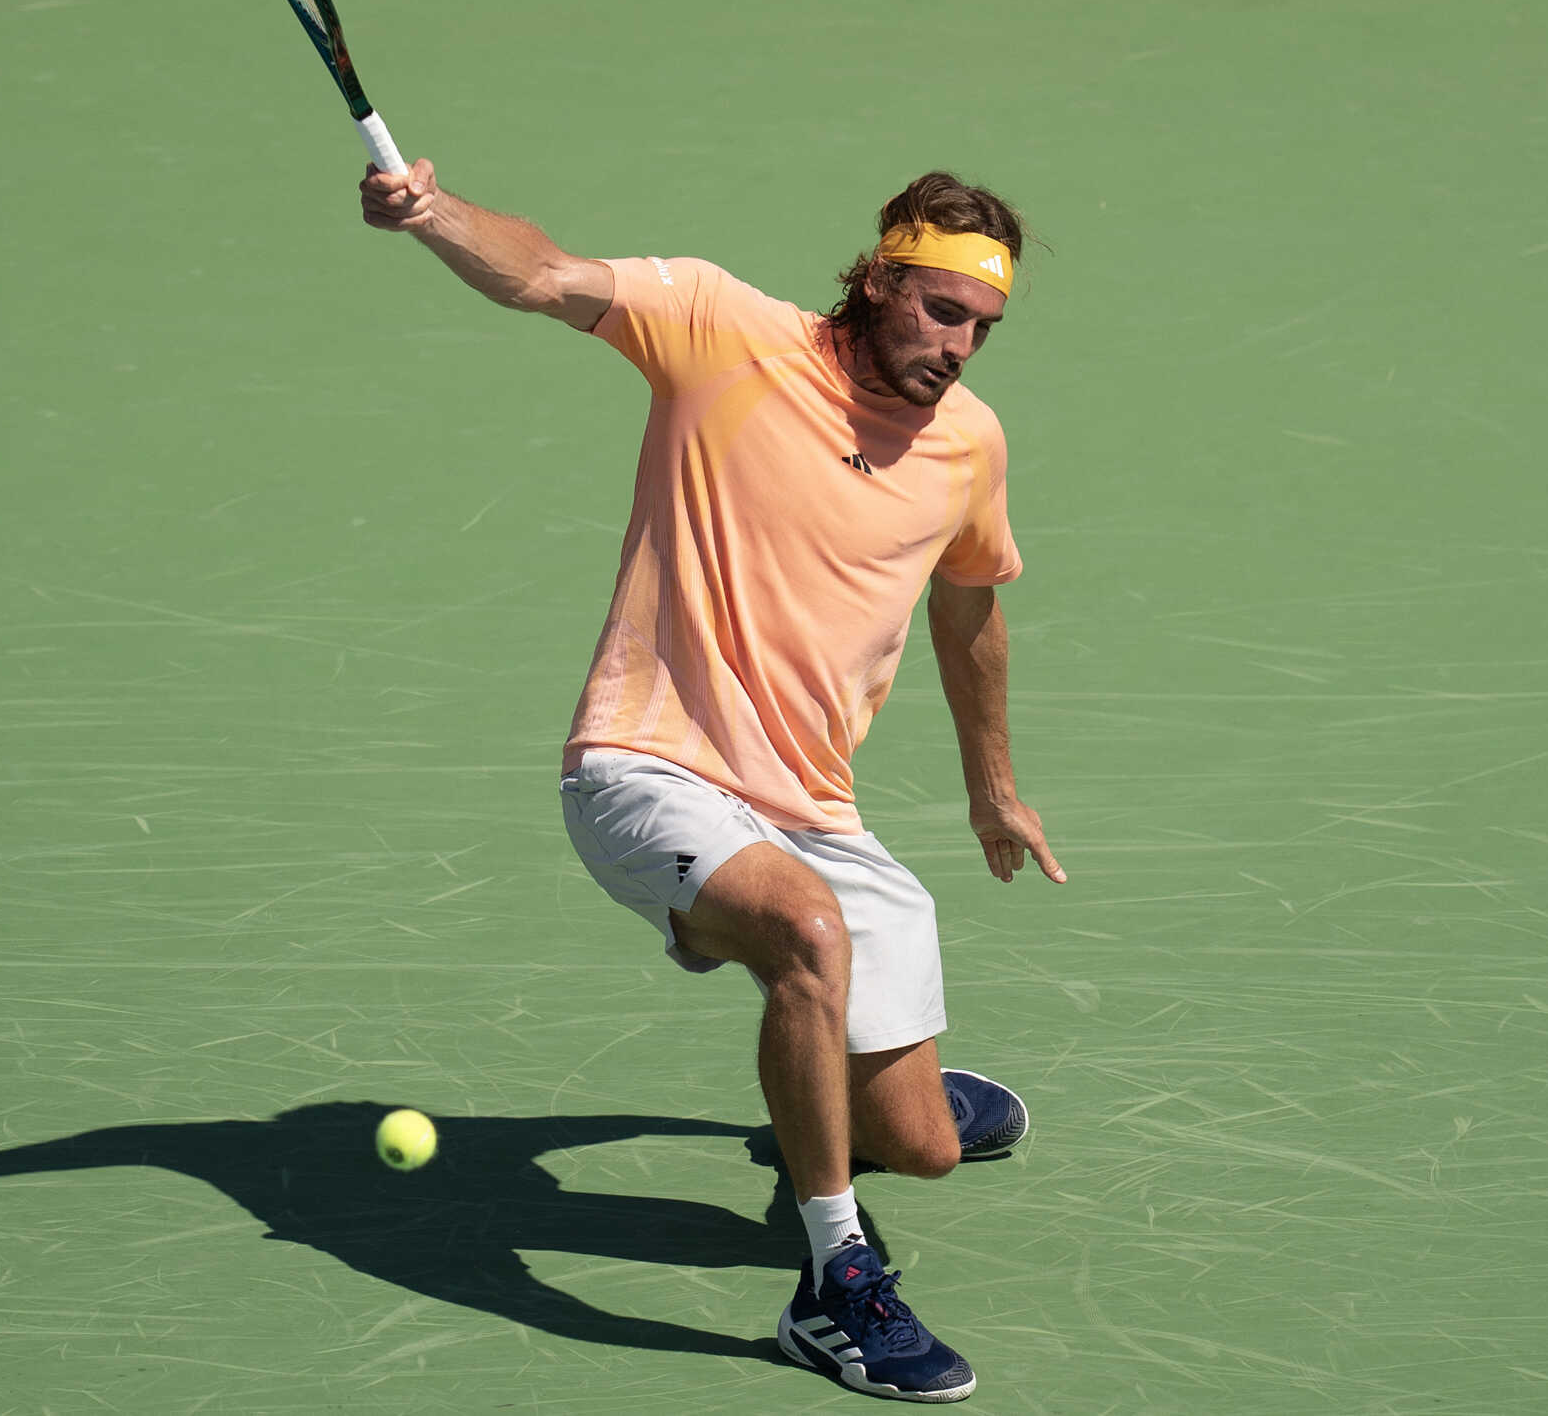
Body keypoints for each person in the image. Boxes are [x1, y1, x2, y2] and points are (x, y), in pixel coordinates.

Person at [361, 157, 1066, 1402]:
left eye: (983, 329)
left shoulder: (967, 445)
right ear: (880, 280)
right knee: (799, 931)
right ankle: (833, 1290)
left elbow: (971, 611)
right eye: (942, 311)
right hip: (646, 767)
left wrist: (992, 787)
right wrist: (433, 215)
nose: (960, 347)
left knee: (928, 1151)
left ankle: (862, 1104)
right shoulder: (719, 326)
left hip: (813, 807)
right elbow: (540, 271)